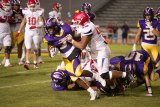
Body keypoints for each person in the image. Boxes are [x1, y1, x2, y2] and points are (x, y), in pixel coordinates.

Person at [44, 17, 107, 100]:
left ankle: (97, 76)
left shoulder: (66, 28)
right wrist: (51, 51)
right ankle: (92, 92)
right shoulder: (49, 37)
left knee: (78, 72)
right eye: (48, 29)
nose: (49, 31)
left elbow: (77, 37)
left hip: (73, 52)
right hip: (65, 58)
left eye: (50, 29)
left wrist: (80, 46)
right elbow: (50, 48)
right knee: (75, 78)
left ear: (56, 27)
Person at [17, 0, 44, 70]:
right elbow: (23, 21)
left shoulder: (38, 12)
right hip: (28, 32)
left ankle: (35, 62)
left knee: (36, 48)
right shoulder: (26, 12)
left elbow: (41, 23)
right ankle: (27, 62)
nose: (32, 7)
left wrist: (36, 26)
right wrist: (19, 30)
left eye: (33, 6)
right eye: (31, 6)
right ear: (28, 6)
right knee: (28, 47)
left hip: (36, 32)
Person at [10, 0, 24, 65]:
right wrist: (14, 19)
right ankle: (6, 59)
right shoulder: (10, 12)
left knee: (20, 45)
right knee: (10, 46)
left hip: (20, 30)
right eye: (15, 5)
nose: (16, 7)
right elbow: (9, 20)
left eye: (17, 5)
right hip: (12, 30)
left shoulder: (22, 11)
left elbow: (25, 19)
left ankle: (19, 59)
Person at [0, 0, 13, 67]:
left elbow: (11, 20)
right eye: (6, 5)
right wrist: (8, 19)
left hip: (7, 32)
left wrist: (8, 19)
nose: (7, 7)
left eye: (8, 5)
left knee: (8, 47)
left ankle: (7, 62)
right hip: (0, 31)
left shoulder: (10, 11)